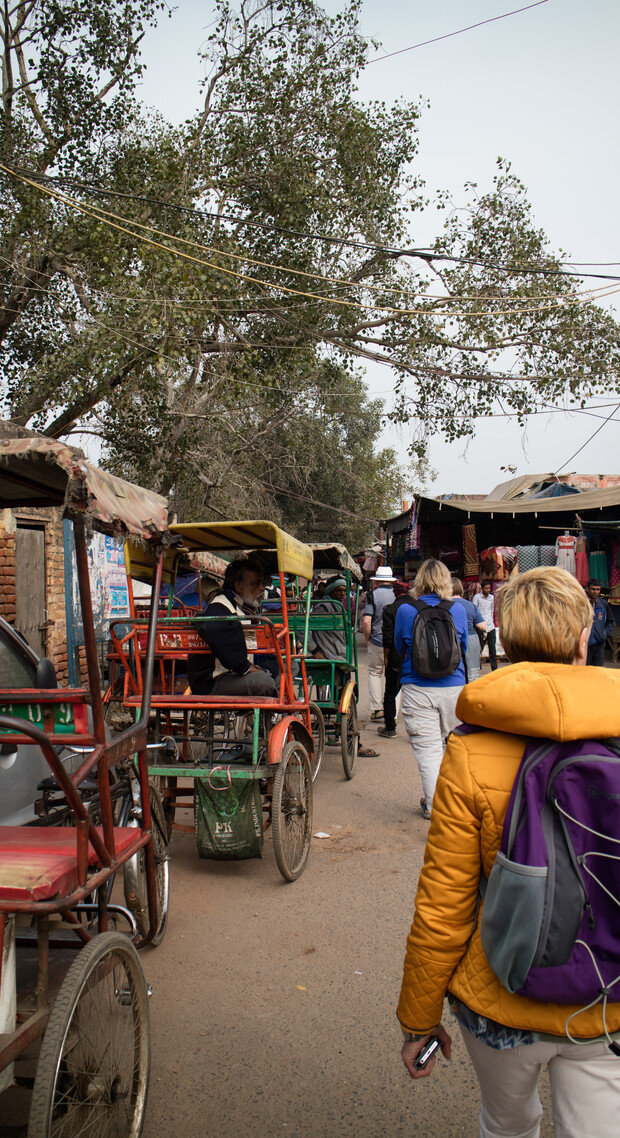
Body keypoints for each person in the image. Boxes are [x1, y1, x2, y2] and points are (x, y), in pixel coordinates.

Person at [397, 567, 620, 1138]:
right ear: (581, 639)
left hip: (500, 994)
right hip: (607, 996)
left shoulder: (470, 751)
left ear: (505, 640)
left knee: (507, 1125)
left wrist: (418, 1018)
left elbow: (445, 900)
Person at [394, 559, 467, 819]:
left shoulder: (405, 610)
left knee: (428, 752)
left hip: (417, 688)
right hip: (454, 688)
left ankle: (435, 808)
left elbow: (400, 648)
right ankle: (461, 805)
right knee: (457, 750)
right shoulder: (457, 610)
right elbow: (464, 649)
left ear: (419, 580)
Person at [187, 558, 277, 696]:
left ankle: (266, 706)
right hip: (214, 681)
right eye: (255, 584)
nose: (262, 588)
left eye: (262, 583)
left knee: (290, 665)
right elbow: (212, 626)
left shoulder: (247, 609)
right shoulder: (220, 606)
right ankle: (267, 707)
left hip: (237, 675)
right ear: (239, 586)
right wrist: (244, 667)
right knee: (264, 682)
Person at [379, 580, 414, 738]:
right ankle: (416, 729)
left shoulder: (390, 609)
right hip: (415, 656)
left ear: (395, 592)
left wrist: (386, 657)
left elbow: (387, 637)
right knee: (416, 692)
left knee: (390, 693)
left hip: (396, 655)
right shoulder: (418, 607)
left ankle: (390, 727)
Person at [362, 566, 396, 721]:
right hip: (395, 642)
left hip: (377, 640)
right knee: (394, 675)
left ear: (376, 581)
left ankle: (377, 709)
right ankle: (393, 712)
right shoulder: (398, 595)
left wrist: (367, 638)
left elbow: (367, 620)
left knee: (375, 673)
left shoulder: (372, 596)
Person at [452, 578, 486, 682]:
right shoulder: (470, 605)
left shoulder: (445, 604)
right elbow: (483, 626)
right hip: (471, 638)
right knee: (472, 671)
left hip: (453, 638)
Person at [585, 578, 614, 666]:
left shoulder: (603, 604)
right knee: (585, 672)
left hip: (599, 645)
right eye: (593, 589)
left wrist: (604, 633)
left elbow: (611, 621)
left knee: (599, 671)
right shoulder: (582, 604)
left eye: (598, 589)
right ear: (587, 589)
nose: (595, 592)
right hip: (586, 645)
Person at [472, 580, 498, 670]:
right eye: (486, 588)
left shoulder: (491, 598)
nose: (488, 590)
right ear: (482, 589)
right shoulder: (477, 597)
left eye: (489, 588)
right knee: (479, 648)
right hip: (480, 626)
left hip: (490, 626)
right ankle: (476, 667)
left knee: (492, 649)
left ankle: (494, 668)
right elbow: (474, 610)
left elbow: (491, 610)